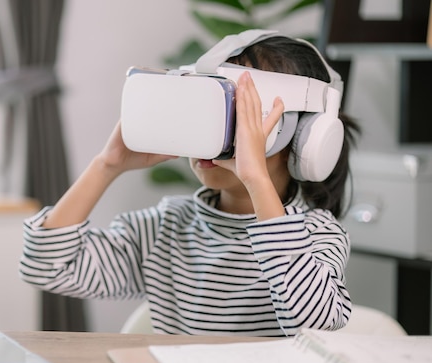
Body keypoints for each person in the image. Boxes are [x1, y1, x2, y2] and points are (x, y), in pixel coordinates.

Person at [19, 31, 358, 337]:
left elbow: (312, 325)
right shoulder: (165, 229)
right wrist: (107, 165)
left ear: (300, 136)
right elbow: (46, 267)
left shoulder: (315, 235)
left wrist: (254, 175)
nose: (209, 134)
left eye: (236, 116)